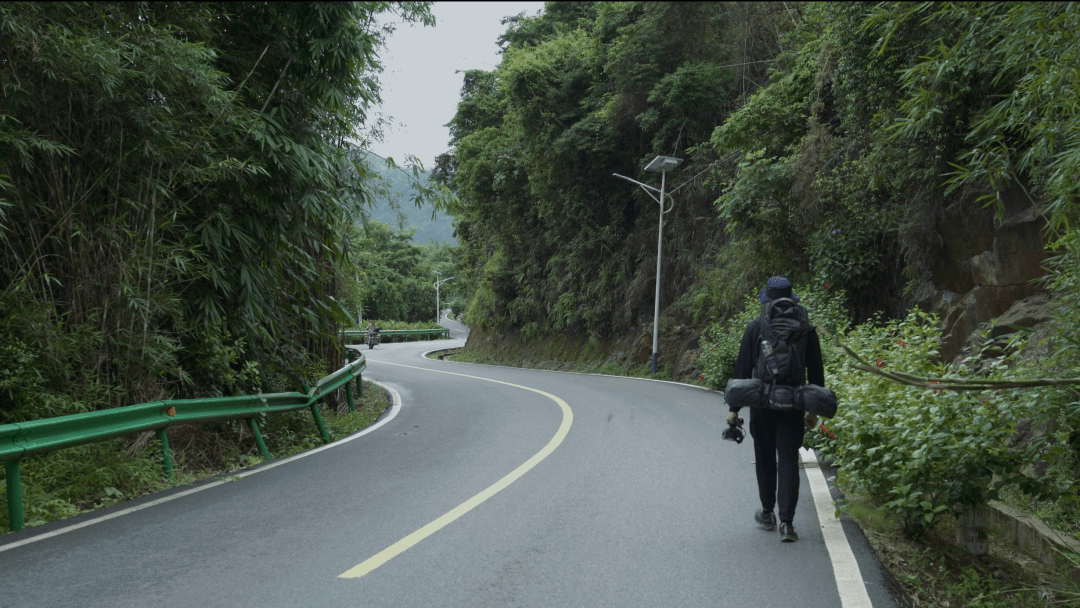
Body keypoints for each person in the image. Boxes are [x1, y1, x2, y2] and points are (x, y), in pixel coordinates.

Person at [726, 276, 825, 542]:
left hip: (762, 403)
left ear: (766, 299)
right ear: (792, 298)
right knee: (789, 460)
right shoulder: (806, 328)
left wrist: (734, 409)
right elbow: (816, 371)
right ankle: (788, 524)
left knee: (766, 457)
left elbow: (742, 370)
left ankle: (768, 512)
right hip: (793, 402)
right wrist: (812, 410)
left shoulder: (756, 327)